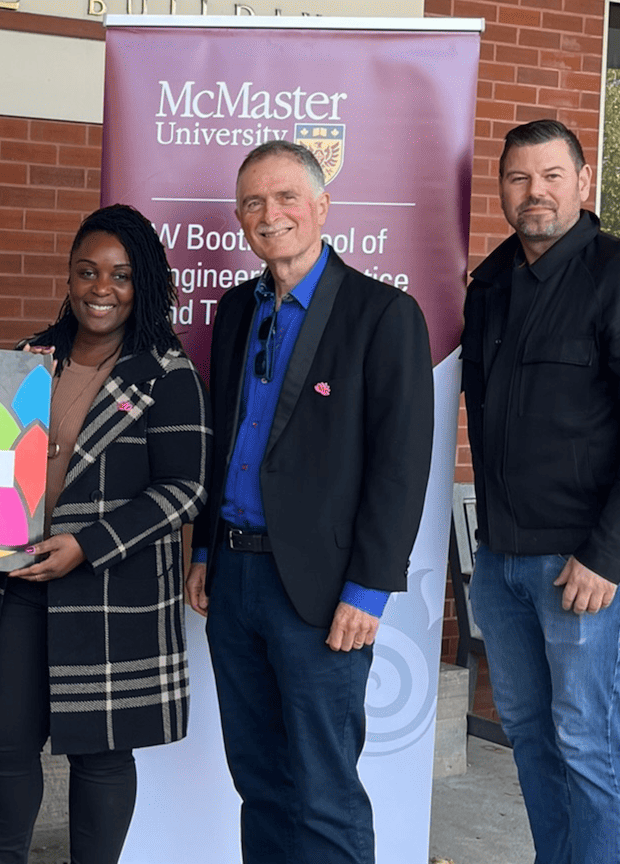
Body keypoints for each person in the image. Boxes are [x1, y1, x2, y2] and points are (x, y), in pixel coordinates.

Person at [186, 140, 433, 864]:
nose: (272, 214)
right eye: (255, 203)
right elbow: (219, 436)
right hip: (234, 583)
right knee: (260, 781)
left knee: (324, 791)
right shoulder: (237, 310)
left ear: (322, 206)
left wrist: (369, 589)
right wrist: (203, 549)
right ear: (238, 218)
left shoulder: (383, 314)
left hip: (324, 595)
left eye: (287, 197)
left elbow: (401, 465)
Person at [461, 118, 620, 864]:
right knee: (529, 735)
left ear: (584, 183)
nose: (535, 193)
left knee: (587, 739)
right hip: (502, 562)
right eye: (519, 178)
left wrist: (606, 554)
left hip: (588, 566)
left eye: (552, 176)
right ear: (502, 189)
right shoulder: (491, 285)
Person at [0, 204, 210, 864]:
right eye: (87, 272)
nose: (102, 289)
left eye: (121, 276)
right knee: (0, 741)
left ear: (144, 283)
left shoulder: (166, 374)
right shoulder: (28, 360)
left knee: (99, 754)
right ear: (68, 278)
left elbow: (184, 489)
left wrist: (88, 545)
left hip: (108, 588)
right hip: (16, 582)